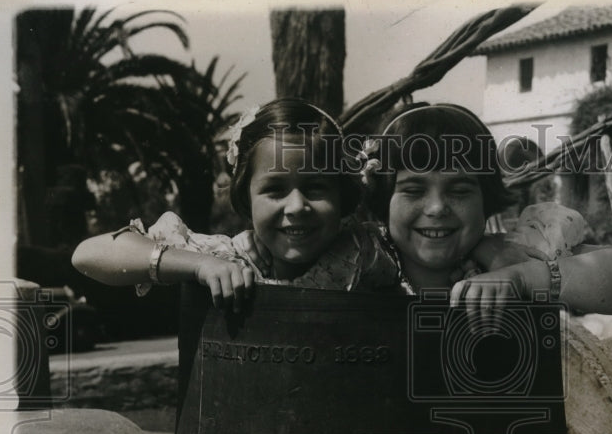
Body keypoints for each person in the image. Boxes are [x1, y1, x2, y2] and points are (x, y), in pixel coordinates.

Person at [71, 98, 399, 311]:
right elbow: (87, 255)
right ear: (246, 197)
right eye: (275, 189)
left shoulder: (365, 251)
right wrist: (199, 265)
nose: (297, 206)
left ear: (341, 193)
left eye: (315, 187)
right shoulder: (227, 258)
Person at [360, 102, 612, 320]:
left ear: (486, 199)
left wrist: (523, 276)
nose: (437, 208)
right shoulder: (358, 260)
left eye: (460, 191)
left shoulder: (511, 255)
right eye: (413, 191)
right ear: (383, 199)